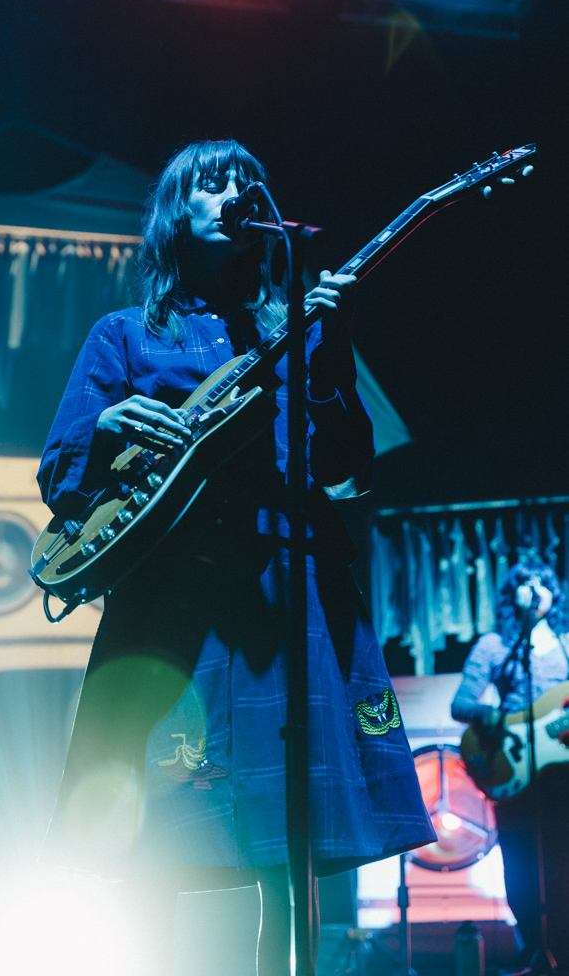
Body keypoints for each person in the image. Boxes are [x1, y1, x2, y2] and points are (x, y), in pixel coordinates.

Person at [38, 138, 434, 976]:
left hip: (284, 601)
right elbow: (62, 481)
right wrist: (106, 430)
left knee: (280, 849)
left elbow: (343, 470)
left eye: (245, 183)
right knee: (153, 840)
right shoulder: (123, 337)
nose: (232, 195)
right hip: (171, 613)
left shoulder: (297, 329)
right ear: (173, 214)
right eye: (210, 185)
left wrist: (331, 347)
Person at [451, 560, 569, 972]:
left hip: (562, 773)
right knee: (519, 864)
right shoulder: (494, 645)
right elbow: (460, 704)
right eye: (524, 583)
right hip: (514, 768)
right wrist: (489, 715)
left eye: (542, 582)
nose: (534, 589)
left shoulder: (568, 642)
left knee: (562, 863)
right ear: (511, 594)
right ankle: (534, 949)